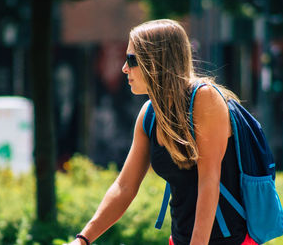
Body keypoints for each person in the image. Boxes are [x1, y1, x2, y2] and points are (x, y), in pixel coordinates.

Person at [67, 19, 258, 245]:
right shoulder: (149, 115)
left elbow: (209, 180)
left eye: (131, 59)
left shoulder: (205, 99)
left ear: (157, 61)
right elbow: (124, 186)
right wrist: (82, 239)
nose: (124, 68)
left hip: (231, 240)